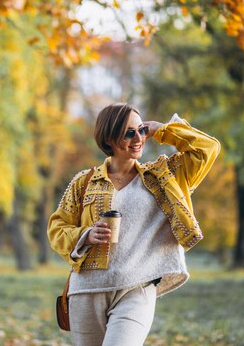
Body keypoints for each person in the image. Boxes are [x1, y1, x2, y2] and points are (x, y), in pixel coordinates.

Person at [47, 103, 220, 346]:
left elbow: (207, 148)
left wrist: (162, 130)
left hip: (137, 289)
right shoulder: (83, 182)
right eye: (129, 133)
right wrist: (85, 235)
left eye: (141, 130)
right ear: (109, 138)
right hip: (86, 290)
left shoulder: (165, 176)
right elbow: (56, 228)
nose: (138, 138)